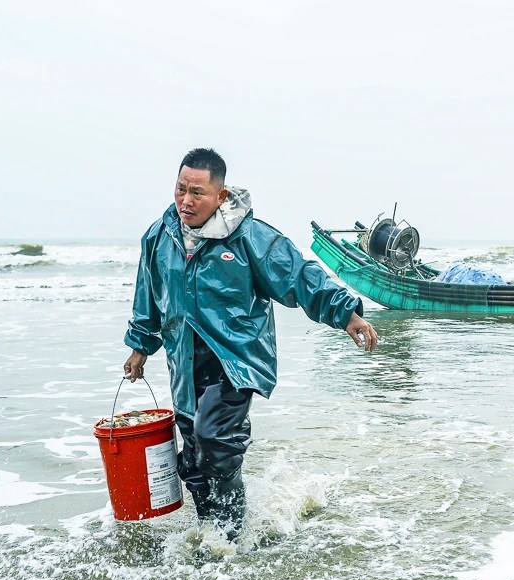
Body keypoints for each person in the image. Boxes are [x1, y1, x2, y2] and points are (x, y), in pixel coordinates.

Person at [121, 148, 378, 539]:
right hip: (184, 360)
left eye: (197, 193)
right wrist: (141, 345)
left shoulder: (250, 237)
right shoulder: (160, 237)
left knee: (215, 440)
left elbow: (297, 276)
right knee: (192, 458)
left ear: (220, 196)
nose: (186, 201)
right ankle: (211, 530)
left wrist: (346, 313)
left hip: (236, 359)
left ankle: (232, 539)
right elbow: (149, 296)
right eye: (180, 189)